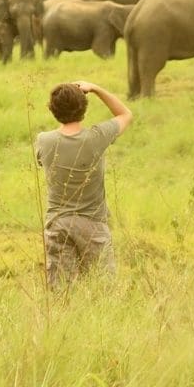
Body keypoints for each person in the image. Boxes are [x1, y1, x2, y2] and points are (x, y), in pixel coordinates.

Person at [35, 81, 133, 290]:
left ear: (52, 110)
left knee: (61, 292)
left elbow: (41, 161)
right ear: (84, 109)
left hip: (57, 223)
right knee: (102, 289)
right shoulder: (97, 137)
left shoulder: (44, 140)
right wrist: (97, 88)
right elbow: (125, 114)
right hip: (93, 224)